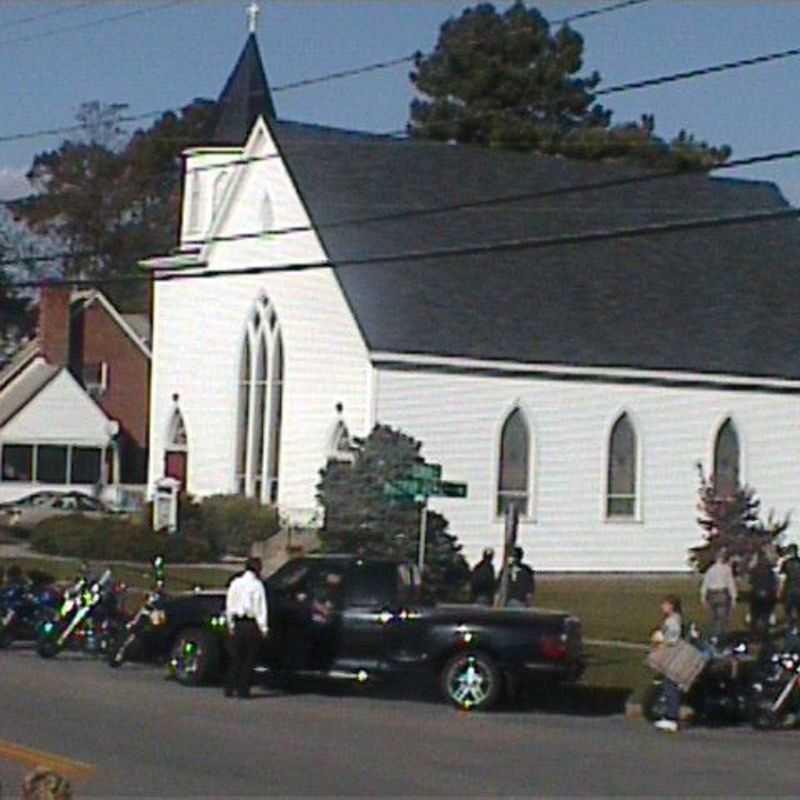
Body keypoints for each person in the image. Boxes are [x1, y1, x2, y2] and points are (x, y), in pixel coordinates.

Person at [224, 556, 268, 699]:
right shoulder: (257, 585)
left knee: (236, 658)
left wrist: (230, 623)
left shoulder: (235, 583)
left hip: (237, 622)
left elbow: (229, 604)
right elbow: (260, 608)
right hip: (251, 624)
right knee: (249, 659)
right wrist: (264, 628)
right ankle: (243, 690)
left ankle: (229, 687)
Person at [651, 594, 684, 733]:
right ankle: (670, 716)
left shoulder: (672, 621)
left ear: (671, 606)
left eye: (664, 604)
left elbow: (671, 639)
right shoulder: (674, 620)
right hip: (673, 655)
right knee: (669, 685)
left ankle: (672, 718)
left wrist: (661, 645)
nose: (662, 607)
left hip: (672, 656)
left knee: (670, 686)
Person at [700, 549, 737, 642]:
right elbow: (730, 583)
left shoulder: (710, 570)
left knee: (715, 617)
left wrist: (703, 597)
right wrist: (734, 597)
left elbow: (705, 584)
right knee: (722, 617)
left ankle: (714, 635)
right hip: (722, 593)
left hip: (712, 594)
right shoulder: (727, 569)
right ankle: (719, 637)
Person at [749, 551, 778, 642]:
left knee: (755, 617)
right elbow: (774, 584)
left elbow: (750, 582)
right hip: (768, 596)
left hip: (756, 595)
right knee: (766, 617)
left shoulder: (754, 570)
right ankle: (765, 637)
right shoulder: (770, 572)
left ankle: (754, 637)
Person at [780, 544, 800, 627]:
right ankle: (790, 622)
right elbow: (782, 574)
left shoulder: (798, 561)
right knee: (788, 606)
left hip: (797, 587)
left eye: (792, 550)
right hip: (789, 587)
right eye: (790, 550)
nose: (791, 552)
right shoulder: (786, 562)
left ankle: (796, 624)